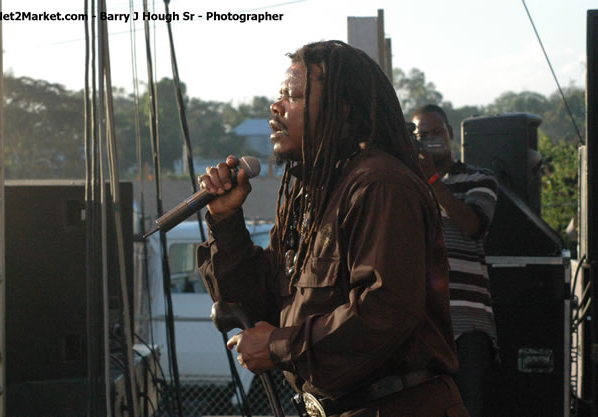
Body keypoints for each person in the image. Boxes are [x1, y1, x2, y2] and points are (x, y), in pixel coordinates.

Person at [197, 41, 468, 417]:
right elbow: (261, 306)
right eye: (279, 96)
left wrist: (278, 345)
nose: (276, 107)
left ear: (341, 110)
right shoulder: (312, 195)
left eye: (293, 96)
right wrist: (226, 223)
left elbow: (384, 312)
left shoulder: (380, 184)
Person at [411, 104, 498, 417]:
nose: (433, 139)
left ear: (450, 133)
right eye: (423, 135)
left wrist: (431, 179)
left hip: (468, 323)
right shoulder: (407, 187)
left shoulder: (480, 178)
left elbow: (472, 224)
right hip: (422, 324)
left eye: (437, 132)